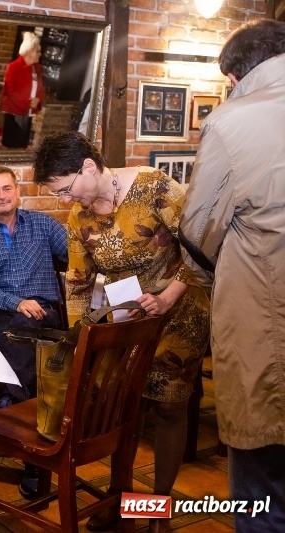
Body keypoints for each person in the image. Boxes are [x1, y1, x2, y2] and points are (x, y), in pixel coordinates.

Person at [33, 131, 210, 533]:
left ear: (89, 167)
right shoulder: (79, 216)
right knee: (122, 410)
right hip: (127, 320)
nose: (65, 200)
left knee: (168, 407)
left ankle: (158, 511)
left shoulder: (153, 186)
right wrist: (83, 339)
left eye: (65, 189)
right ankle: (121, 501)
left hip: (181, 308)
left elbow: (201, 250)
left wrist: (167, 297)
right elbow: (78, 282)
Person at [179, 19, 285, 533]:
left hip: (266, 317)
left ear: (237, 73)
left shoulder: (232, 120)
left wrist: (202, 280)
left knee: (262, 482)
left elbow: (199, 231)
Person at [0, 164, 67, 498]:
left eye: (6, 188)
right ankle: (37, 455)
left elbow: (76, 253)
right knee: (28, 346)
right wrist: (17, 302)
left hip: (48, 312)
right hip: (3, 315)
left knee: (41, 345)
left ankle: (12, 404)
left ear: (17, 191)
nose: (1, 195)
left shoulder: (43, 224)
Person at [0, 31, 44, 148]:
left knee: (22, 146)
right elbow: (10, 91)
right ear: (29, 52)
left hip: (28, 114)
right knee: (11, 145)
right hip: (14, 114)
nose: (40, 54)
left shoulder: (37, 68)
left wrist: (38, 100)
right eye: (37, 51)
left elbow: (41, 89)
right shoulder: (13, 67)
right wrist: (29, 102)